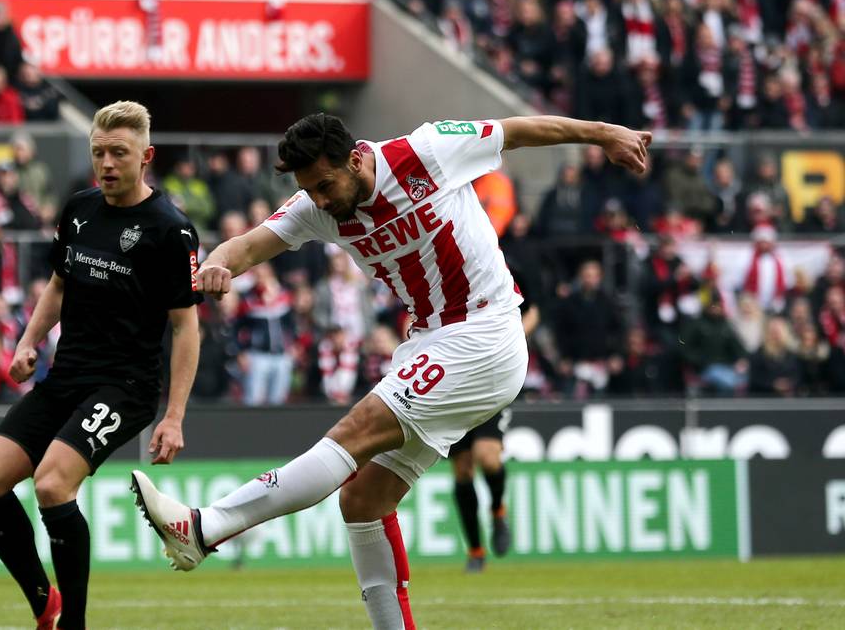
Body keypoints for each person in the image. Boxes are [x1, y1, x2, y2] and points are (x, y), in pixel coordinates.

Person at [131, 112, 650, 630]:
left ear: (355, 157)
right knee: (363, 499)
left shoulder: (425, 151)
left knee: (353, 433)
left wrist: (605, 133)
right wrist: (217, 264)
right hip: (432, 341)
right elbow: (247, 245)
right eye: (310, 190)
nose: (322, 200)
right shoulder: (318, 206)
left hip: (484, 332)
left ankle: (203, 528)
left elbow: (515, 131)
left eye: (326, 185)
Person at [0, 101, 202, 630]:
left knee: (51, 485)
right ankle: (45, 605)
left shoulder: (170, 230)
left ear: (147, 157)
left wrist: (175, 415)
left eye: (119, 152)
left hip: (126, 386)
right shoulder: (78, 209)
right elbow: (59, 285)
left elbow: (186, 327)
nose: (107, 163)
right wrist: (28, 342)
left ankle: (75, 624)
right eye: (99, 152)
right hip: (65, 377)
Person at [449, 262, 539, 573]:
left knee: (487, 457)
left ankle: (498, 510)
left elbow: (533, 311)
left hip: (490, 378)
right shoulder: (446, 268)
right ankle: (475, 550)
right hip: (455, 383)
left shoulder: (505, 268)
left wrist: (509, 338)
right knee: (462, 470)